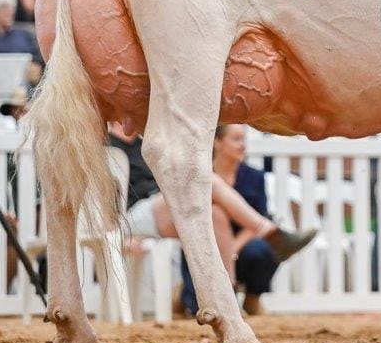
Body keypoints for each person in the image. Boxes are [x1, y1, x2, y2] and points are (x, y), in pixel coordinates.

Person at [125, 124, 317, 316]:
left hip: (206, 233)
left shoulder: (145, 145)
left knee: (216, 213)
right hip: (139, 215)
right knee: (208, 181)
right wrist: (118, 236)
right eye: (236, 139)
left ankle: (229, 296)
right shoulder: (115, 148)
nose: (243, 145)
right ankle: (271, 232)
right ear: (217, 142)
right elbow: (107, 203)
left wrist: (232, 249)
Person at [0, 0, 44, 85]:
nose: (10, 11)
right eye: (4, 7)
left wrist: (35, 67)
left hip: (26, 84)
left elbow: (37, 60)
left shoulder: (23, 33)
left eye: (12, 7)